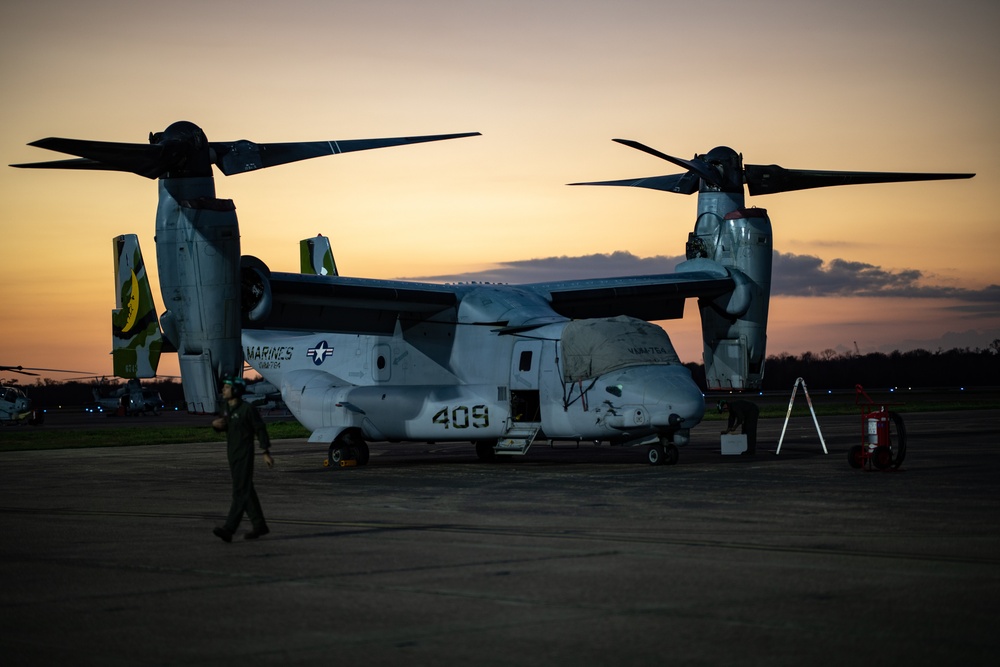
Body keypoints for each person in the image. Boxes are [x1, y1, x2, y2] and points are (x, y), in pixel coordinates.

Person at [212, 376, 274, 542]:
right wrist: (216, 426)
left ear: (236, 390)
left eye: (226, 387)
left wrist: (265, 451)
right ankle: (259, 525)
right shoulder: (226, 407)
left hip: (245, 454)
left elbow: (260, 429)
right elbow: (225, 424)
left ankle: (229, 529)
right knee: (246, 491)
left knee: (240, 492)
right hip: (232, 454)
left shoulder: (247, 409)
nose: (223, 390)